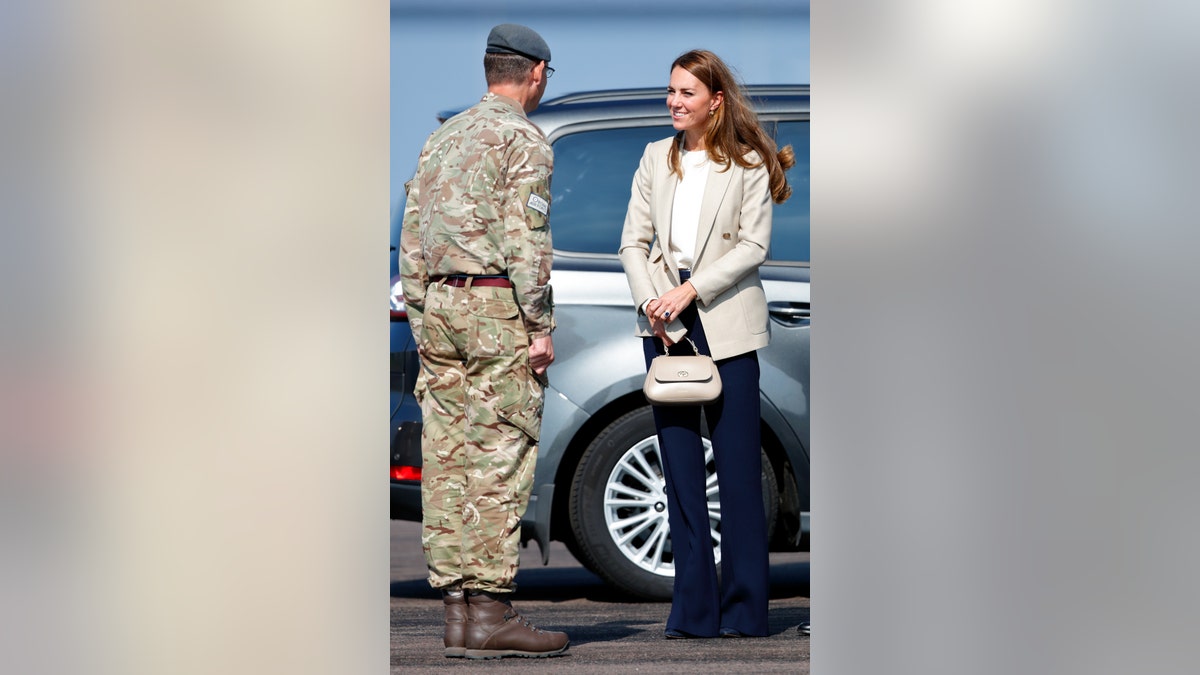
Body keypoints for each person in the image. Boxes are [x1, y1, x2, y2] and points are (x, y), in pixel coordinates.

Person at [399, 23, 568, 660]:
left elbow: (413, 238)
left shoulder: (442, 137)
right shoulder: (524, 140)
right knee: (500, 452)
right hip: (496, 306)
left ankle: (457, 614)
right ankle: (492, 609)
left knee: (448, 455)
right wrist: (540, 325)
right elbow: (527, 241)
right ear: (537, 73)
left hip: (440, 304)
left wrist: (422, 315)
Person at [618, 49, 795, 639]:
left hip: (725, 325)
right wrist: (654, 303)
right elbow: (632, 244)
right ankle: (693, 612)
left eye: (686, 93)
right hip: (664, 329)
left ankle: (745, 612)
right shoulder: (652, 158)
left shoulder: (745, 164)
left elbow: (752, 247)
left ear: (714, 101)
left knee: (740, 474)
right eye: (670, 91)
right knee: (681, 476)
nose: (674, 102)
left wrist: (688, 290)